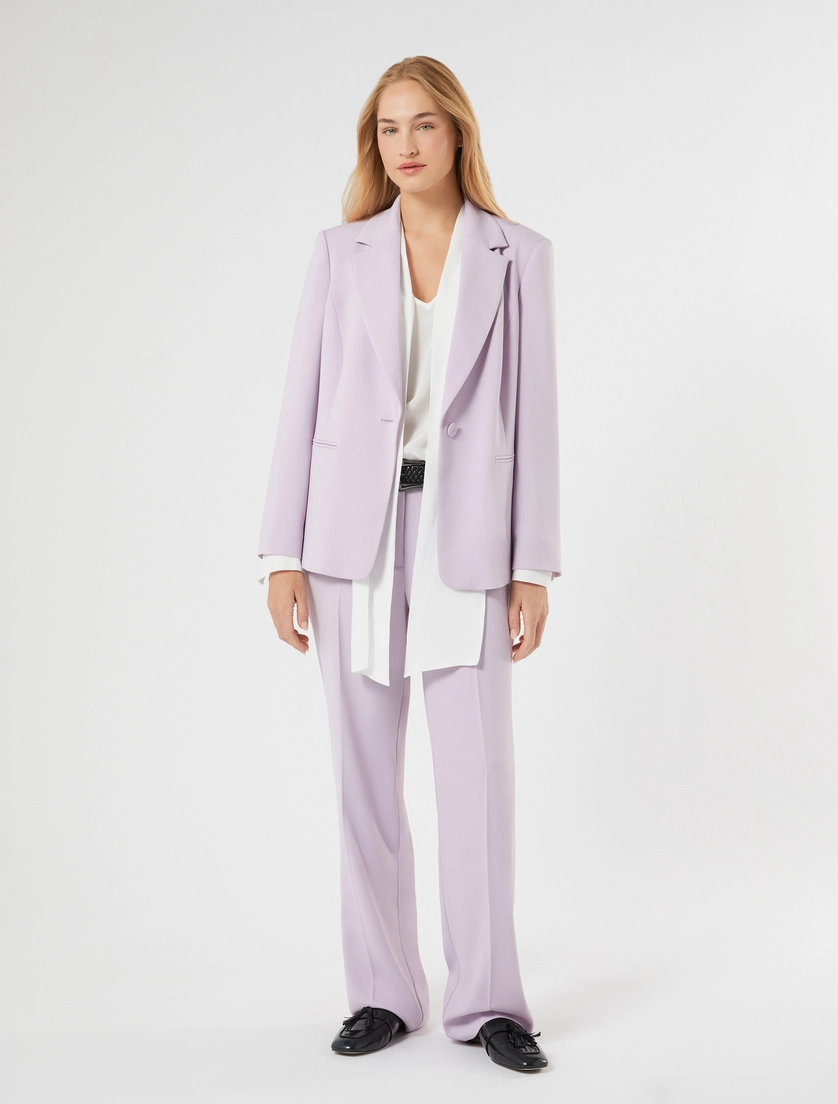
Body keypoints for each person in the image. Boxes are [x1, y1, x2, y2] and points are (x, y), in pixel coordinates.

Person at [256, 55, 560, 1073]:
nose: (407, 145)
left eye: (424, 124)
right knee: (362, 776)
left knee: (477, 780)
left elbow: (536, 419)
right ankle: (384, 992)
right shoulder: (338, 254)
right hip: (352, 541)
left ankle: (490, 1003)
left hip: (467, 538)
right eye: (389, 129)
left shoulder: (518, 256)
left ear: (457, 132)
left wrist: (533, 566)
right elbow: (300, 401)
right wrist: (282, 551)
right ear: (373, 143)